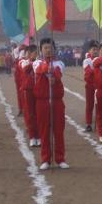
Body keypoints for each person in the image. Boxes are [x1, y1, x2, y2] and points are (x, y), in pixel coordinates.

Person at [33, 38, 68, 170]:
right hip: (42, 102)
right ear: (41, 50)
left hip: (56, 101)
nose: (48, 50)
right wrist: (46, 66)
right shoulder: (37, 63)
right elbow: (39, 70)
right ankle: (45, 159)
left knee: (58, 131)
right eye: (45, 48)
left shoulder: (59, 63)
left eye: (50, 47)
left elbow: (58, 73)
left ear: (54, 49)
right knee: (44, 131)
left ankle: (60, 158)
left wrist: (52, 72)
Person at [20, 44, 40, 147]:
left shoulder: (40, 62)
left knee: (39, 114)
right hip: (28, 91)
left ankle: (39, 136)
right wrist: (33, 62)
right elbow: (25, 70)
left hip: (39, 90)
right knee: (30, 115)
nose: (35, 55)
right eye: (34, 53)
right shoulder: (23, 62)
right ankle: (33, 137)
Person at [82, 40, 99, 132]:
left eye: (97, 49)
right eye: (93, 49)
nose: (95, 51)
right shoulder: (86, 60)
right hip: (90, 85)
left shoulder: (100, 59)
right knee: (89, 105)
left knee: (99, 105)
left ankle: (99, 123)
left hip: (99, 85)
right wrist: (97, 68)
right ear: (89, 51)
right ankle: (88, 123)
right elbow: (88, 71)